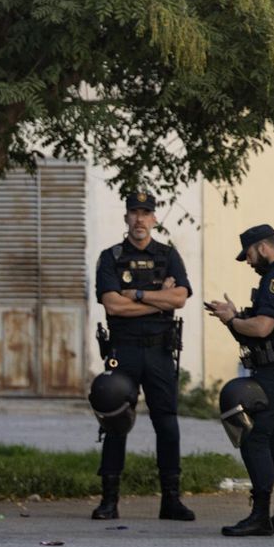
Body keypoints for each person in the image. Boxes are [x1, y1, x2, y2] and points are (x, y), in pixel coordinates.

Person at [90, 193, 196, 522]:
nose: (139, 219)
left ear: (154, 218)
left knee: (167, 424)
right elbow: (112, 305)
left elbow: (179, 299)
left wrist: (136, 294)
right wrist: (157, 299)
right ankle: (109, 500)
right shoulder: (111, 257)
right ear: (126, 218)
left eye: (145, 213)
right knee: (115, 420)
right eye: (134, 212)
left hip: (160, 351)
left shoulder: (168, 255)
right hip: (124, 350)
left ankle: (171, 500)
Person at [205, 224, 274, 537]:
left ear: (263, 248)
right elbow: (267, 324)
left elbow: (263, 328)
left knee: (255, 439)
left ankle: (261, 514)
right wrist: (236, 316)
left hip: (273, 372)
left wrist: (232, 320)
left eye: (249, 254)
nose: (248, 261)